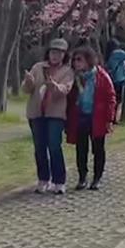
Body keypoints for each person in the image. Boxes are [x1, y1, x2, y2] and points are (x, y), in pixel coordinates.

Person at [22, 38, 74, 194]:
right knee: (39, 147)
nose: (55, 56)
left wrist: (55, 86)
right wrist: (29, 82)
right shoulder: (38, 67)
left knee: (54, 146)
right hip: (36, 112)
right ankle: (43, 179)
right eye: (53, 52)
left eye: (59, 53)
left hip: (55, 114)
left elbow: (65, 90)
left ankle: (59, 181)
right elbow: (26, 89)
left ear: (64, 55)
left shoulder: (67, 71)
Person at [65, 46, 115, 190]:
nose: (76, 63)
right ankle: (82, 177)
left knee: (98, 149)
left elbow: (111, 97)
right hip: (80, 117)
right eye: (74, 60)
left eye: (79, 60)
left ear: (89, 60)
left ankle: (97, 178)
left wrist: (109, 119)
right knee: (81, 149)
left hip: (97, 118)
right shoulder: (74, 78)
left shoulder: (101, 76)